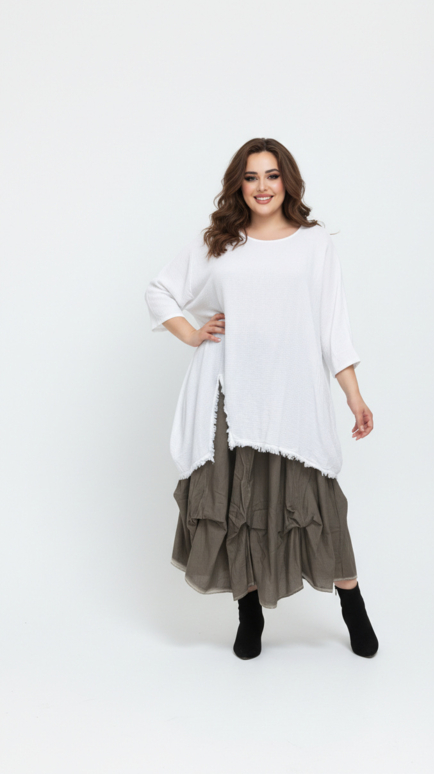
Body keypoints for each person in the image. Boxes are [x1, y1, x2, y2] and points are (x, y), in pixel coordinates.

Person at [144, 137, 379, 660]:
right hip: (232, 392)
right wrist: (192, 333)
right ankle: (248, 614)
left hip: (292, 394)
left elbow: (333, 328)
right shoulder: (220, 242)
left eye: (271, 175)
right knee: (240, 504)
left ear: (287, 181)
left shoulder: (314, 244)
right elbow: (159, 290)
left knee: (317, 502)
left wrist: (354, 397)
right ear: (239, 185)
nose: (262, 186)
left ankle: (353, 605)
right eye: (251, 177)